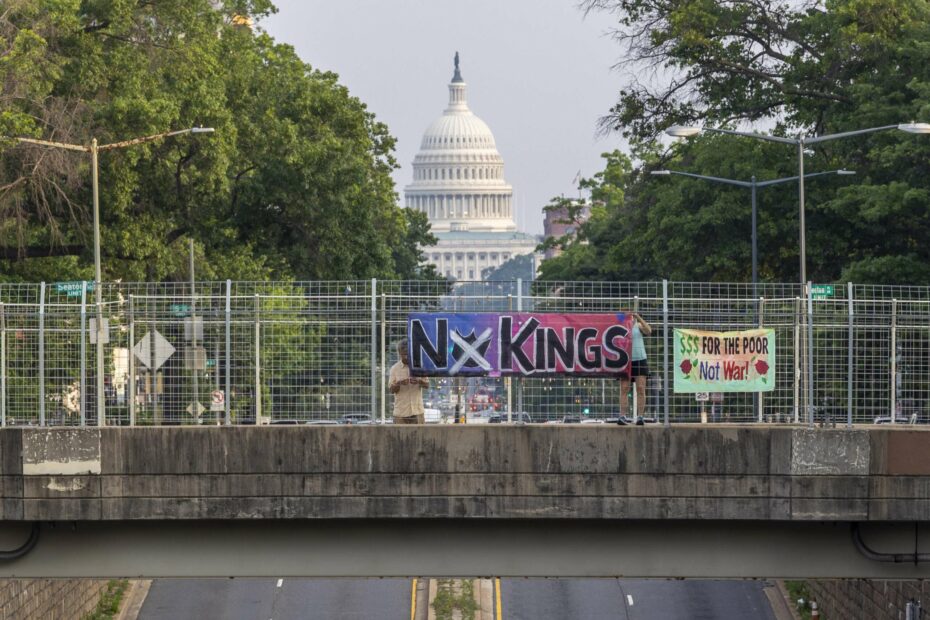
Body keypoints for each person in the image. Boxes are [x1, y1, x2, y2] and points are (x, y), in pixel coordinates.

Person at [619, 311, 652, 423]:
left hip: (640, 359)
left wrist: (638, 317)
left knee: (641, 388)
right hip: (625, 359)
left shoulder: (638, 325)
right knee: (624, 388)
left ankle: (640, 416)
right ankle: (622, 416)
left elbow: (648, 331)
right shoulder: (621, 325)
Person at [389, 338, 428, 424]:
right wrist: (399, 383)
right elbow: (391, 390)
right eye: (404, 354)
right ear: (399, 353)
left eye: (408, 354)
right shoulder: (394, 369)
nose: (406, 356)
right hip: (400, 413)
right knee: (399, 433)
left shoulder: (420, 366)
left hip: (417, 411)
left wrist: (419, 381)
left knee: (420, 433)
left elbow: (427, 385)